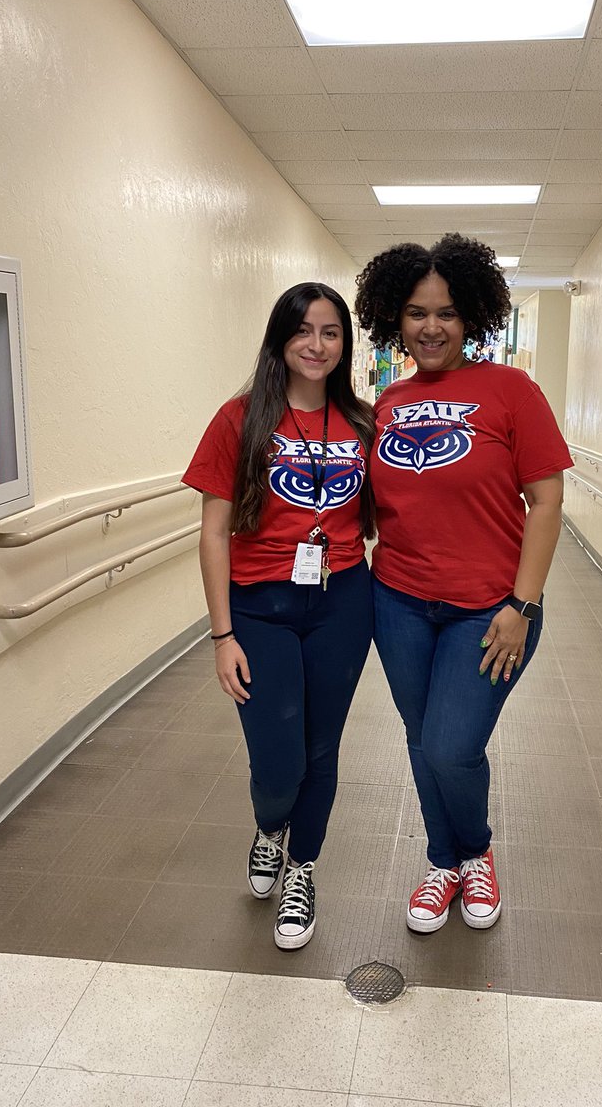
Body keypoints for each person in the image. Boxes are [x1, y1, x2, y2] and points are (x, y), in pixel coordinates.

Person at [355, 234, 573, 934]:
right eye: (416, 313)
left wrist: (522, 604)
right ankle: (442, 860)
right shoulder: (388, 399)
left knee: (453, 744)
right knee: (421, 739)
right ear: (395, 319)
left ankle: (476, 852)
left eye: (446, 313)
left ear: (471, 317)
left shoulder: (511, 390)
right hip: (398, 601)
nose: (430, 327)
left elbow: (547, 503)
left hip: (489, 608)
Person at [183, 283, 375, 950]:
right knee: (278, 761)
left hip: (343, 602)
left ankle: (301, 867)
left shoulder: (362, 422)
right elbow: (211, 535)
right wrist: (221, 634)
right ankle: (270, 826)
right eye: (303, 331)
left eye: (330, 332)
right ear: (279, 338)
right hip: (258, 607)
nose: (316, 345)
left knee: (322, 749)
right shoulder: (239, 419)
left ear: (344, 343)